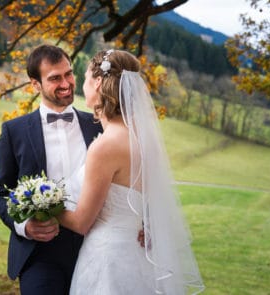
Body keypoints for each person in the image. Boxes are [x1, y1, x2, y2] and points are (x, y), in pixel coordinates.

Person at [57, 49, 205, 294]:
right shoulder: (142, 139)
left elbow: (81, 222)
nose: (82, 85)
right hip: (139, 257)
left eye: (84, 78)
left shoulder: (105, 146)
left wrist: (42, 208)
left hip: (108, 260)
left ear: (98, 82)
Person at [0, 44, 103, 294]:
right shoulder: (14, 131)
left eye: (69, 74)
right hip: (39, 253)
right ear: (35, 84)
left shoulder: (98, 126)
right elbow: (0, 194)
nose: (66, 83)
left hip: (94, 246)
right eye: (54, 78)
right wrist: (25, 226)